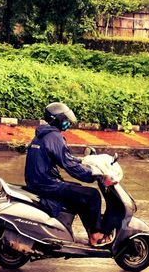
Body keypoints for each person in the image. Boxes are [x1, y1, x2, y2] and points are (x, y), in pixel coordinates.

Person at [24, 102, 114, 247]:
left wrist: (82, 162)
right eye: (65, 120)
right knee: (92, 195)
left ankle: (90, 233)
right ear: (57, 120)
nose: (67, 124)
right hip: (47, 184)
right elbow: (69, 165)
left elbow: (66, 159)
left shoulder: (43, 134)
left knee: (79, 192)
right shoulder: (54, 137)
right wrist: (93, 174)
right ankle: (96, 235)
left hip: (39, 182)